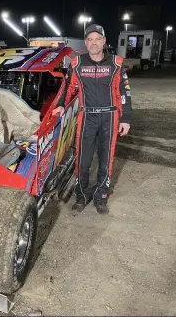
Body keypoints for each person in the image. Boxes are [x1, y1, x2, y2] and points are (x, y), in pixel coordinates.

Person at [52, 24, 132, 214]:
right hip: (87, 115)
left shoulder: (117, 63)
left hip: (110, 116)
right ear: (86, 43)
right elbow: (68, 88)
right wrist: (61, 104)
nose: (94, 43)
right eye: (90, 39)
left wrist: (126, 118)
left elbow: (125, 93)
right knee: (84, 159)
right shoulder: (76, 64)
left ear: (104, 41)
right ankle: (82, 195)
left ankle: (101, 196)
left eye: (98, 39)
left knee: (106, 158)